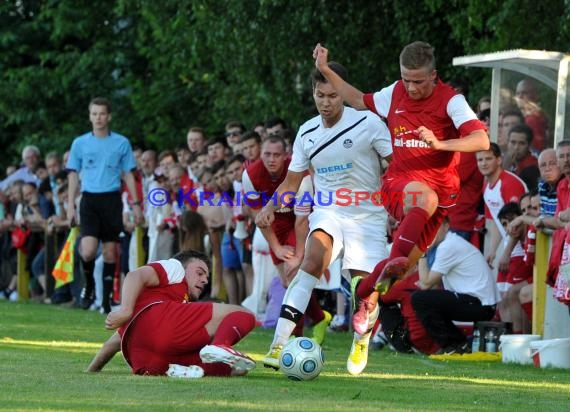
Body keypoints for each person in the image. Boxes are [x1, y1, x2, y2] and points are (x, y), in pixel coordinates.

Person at [313, 41, 489, 334]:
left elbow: (481, 141)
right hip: (400, 183)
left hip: (441, 197)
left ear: (433, 75)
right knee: (424, 198)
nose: (411, 87)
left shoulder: (451, 101)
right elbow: (357, 99)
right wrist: (324, 69)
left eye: (418, 81)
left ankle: (365, 296)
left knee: (402, 271)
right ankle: (391, 262)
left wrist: (441, 143)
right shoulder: (394, 92)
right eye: (406, 79)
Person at [256, 62, 392, 375]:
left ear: (342, 92)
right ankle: (278, 344)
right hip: (328, 212)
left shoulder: (369, 123)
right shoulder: (307, 131)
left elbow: (396, 165)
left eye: (332, 95)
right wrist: (271, 206)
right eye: (320, 95)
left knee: (364, 292)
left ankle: (361, 337)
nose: (326, 102)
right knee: (311, 263)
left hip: (368, 216)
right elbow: (291, 183)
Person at [87, 250, 256, 377]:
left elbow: (111, 345)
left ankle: (192, 371)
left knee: (236, 369)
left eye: (207, 276)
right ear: (185, 267)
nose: (205, 280)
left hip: (148, 364)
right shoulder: (174, 267)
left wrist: (90, 372)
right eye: (199, 272)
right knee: (244, 314)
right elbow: (135, 275)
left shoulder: (166, 300)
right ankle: (220, 345)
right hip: (161, 326)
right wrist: (125, 310)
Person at [243, 135, 331, 345]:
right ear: (260, 154)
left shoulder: (299, 172)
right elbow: (259, 217)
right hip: (275, 224)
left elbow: (302, 220)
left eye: (276, 155)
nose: (271, 159)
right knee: (286, 280)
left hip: (300, 219)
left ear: (285, 155)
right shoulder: (250, 175)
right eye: (267, 154)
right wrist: (276, 246)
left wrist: (298, 255)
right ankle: (320, 318)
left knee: (293, 276)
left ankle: (295, 340)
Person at [66, 97, 143, 314]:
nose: (98, 118)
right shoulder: (80, 143)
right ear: (90, 116)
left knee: (110, 253)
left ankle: (107, 300)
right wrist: (71, 205)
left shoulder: (121, 143)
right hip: (89, 199)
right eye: (94, 114)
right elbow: (73, 174)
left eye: (102, 114)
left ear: (108, 116)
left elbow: (128, 174)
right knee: (88, 250)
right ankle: (88, 283)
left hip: (111, 199)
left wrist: (136, 203)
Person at [412, 217, 501, 354]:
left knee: (419, 299)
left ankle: (455, 345)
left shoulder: (448, 245)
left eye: (435, 227)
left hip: (481, 305)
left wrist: (422, 251)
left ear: (446, 226)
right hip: (479, 302)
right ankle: (458, 344)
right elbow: (428, 284)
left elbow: (426, 284)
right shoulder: (449, 243)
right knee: (424, 300)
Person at [502, 123, 540, 189]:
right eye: (513, 142)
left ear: (529, 145)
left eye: (522, 143)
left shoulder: (531, 169)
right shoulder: (507, 160)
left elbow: (513, 190)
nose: (516, 147)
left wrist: (505, 167)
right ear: (507, 142)